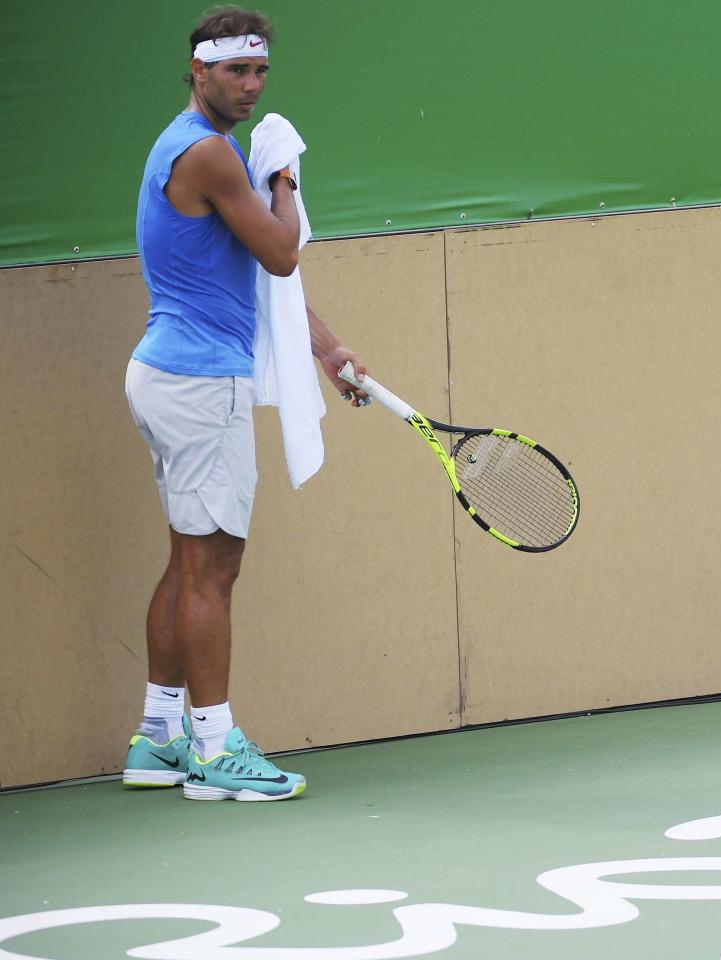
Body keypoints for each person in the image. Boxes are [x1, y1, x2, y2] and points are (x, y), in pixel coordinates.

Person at [122, 6, 368, 801]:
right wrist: (285, 175)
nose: (251, 86)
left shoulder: (197, 146)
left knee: (188, 561)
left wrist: (328, 353)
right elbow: (282, 252)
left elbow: (261, 285)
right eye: (236, 71)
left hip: (167, 376)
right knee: (212, 574)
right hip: (200, 388)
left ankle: (157, 738)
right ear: (198, 70)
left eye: (260, 71)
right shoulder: (213, 156)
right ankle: (215, 751)